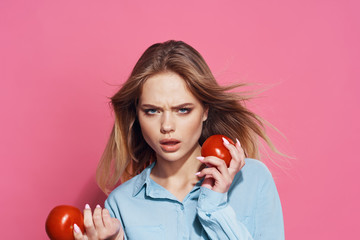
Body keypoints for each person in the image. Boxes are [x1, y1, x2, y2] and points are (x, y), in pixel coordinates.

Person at [73, 40, 284, 240]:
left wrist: (215, 208)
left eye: (183, 110)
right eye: (152, 111)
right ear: (137, 114)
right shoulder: (121, 204)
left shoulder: (252, 179)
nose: (166, 126)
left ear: (205, 111)